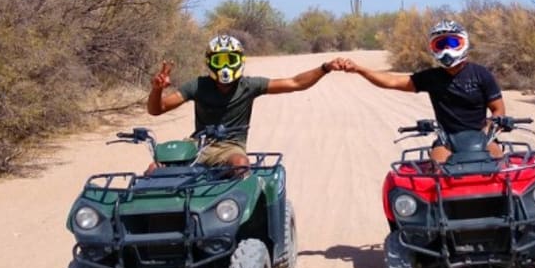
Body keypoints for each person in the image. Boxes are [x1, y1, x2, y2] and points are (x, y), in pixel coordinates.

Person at [147, 34, 343, 172]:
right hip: (197, 144)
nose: (224, 66)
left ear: (239, 60)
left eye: (230, 59)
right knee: (155, 168)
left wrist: (325, 68)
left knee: (241, 164)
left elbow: (295, 83)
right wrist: (157, 89)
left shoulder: (248, 86)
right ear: (210, 62)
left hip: (230, 147)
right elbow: (157, 109)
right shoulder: (198, 86)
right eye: (219, 60)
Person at [341, 19, 506, 162]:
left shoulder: (481, 74)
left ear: (464, 43)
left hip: (481, 136)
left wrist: (491, 127)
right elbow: (392, 81)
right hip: (447, 140)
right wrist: (359, 69)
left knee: (499, 167)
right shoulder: (431, 77)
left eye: (453, 43)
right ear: (433, 48)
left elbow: (498, 109)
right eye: (440, 44)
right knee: (437, 174)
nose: (447, 48)